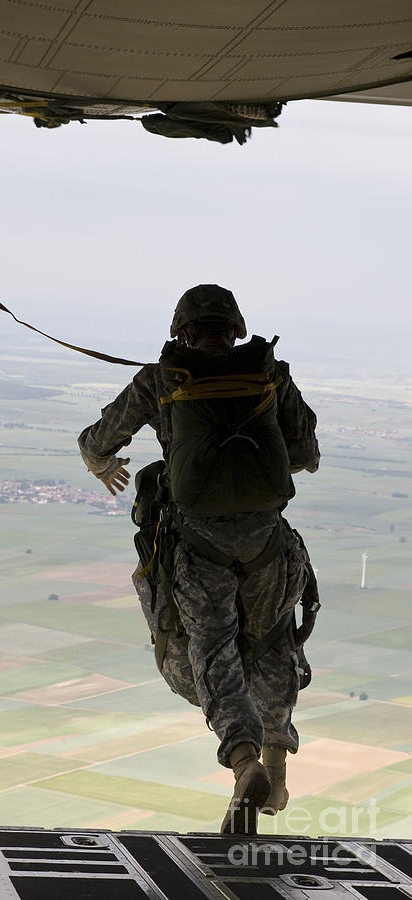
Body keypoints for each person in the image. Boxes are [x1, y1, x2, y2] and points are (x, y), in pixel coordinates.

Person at [78, 284, 320, 835]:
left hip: (198, 548)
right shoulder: (269, 373)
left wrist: (102, 466)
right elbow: (305, 456)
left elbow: (96, 442)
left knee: (213, 655)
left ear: (179, 329)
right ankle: (278, 766)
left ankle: (244, 761)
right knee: (273, 642)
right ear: (235, 328)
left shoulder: (160, 379)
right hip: (268, 544)